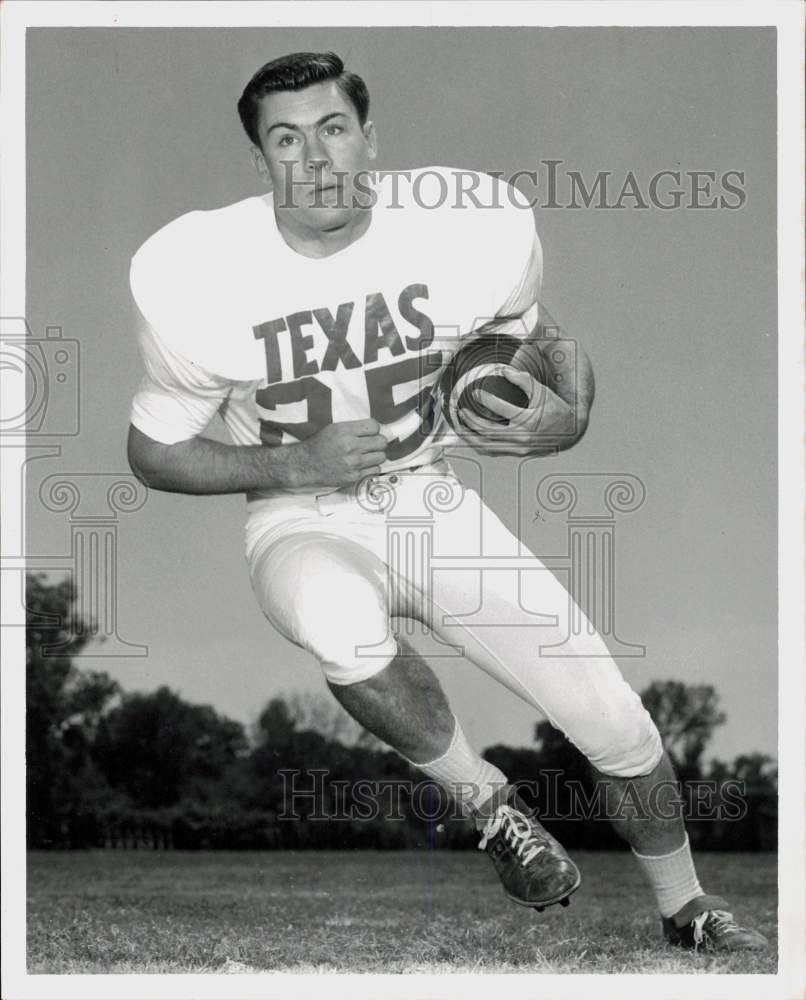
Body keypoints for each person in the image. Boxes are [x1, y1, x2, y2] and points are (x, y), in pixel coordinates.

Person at [127, 50, 766, 954]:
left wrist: (570, 415)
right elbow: (152, 453)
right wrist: (295, 466)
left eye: (333, 128)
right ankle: (492, 811)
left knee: (610, 716)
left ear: (369, 136)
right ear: (260, 159)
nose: (314, 157)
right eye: (285, 138)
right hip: (299, 516)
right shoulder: (200, 272)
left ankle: (687, 906)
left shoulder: (464, 226)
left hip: (430, 503)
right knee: (336, 621)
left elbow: (547, 344)